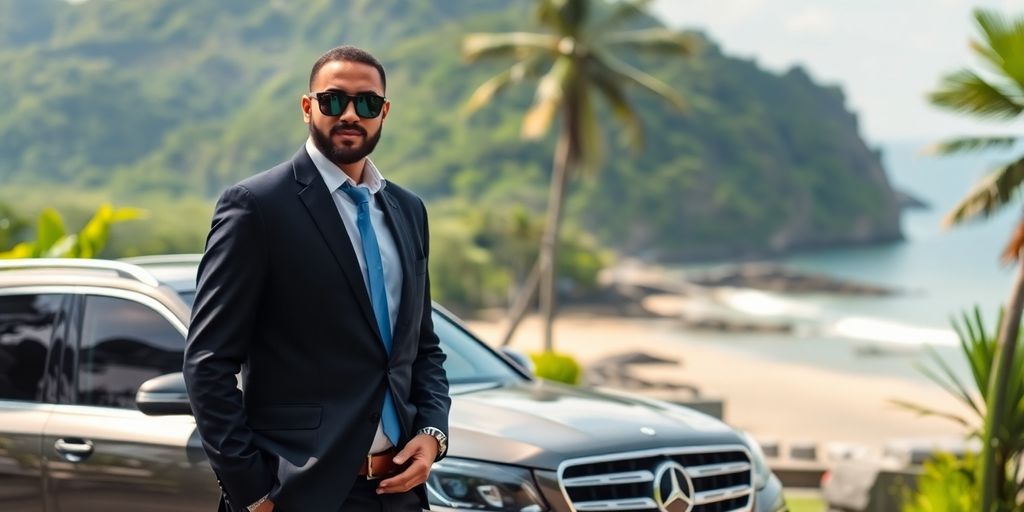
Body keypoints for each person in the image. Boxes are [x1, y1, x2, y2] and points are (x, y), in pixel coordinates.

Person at [183, 45, 451, 512]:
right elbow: (207, 362)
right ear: (307, 107)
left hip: (399, 493)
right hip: (296, 494)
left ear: (383, 113)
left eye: (366, 103)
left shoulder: (409, 210)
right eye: (333, 100)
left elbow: (422, 347)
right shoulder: (256, 206)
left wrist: (432, 434)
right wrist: (252, 491)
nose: (350, 114)